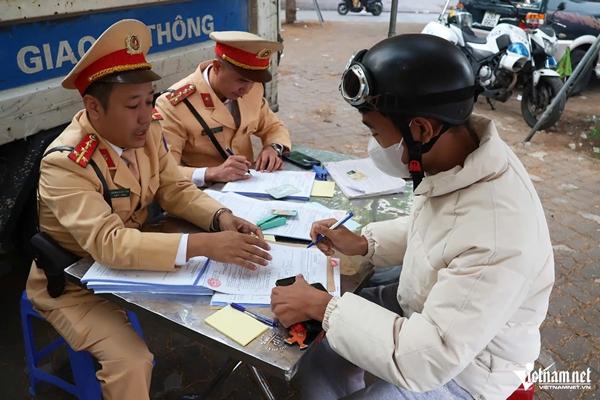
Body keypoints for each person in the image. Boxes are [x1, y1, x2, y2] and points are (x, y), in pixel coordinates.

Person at [271, 34, 554, 400]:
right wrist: (364, 243)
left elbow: (429, 357)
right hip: (424, 307)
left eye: (376, 131)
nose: (374, 144)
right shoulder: (464, 160)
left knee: (325, 321)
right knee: (317, 353)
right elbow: (442, 229)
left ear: (420, 129)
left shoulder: (498, 233)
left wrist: (321, 306)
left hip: (468, 371)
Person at [25, 19, 272, 400]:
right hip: (76, 283)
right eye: (132, 105)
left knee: (229, 305)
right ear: (93, 106)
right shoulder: (66, 163)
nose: (146, 115)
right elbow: (109, 244)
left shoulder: (147, 131)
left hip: (134, 264)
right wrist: (204, 245)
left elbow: (174, 188)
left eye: (149, 100)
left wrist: (221, 218)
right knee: (132, 362)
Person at [155, 31, 291, 186]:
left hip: (247, 186)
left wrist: (273, 148)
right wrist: (211, 173)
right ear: (217, 67)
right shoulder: (174, 105)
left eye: (252, 82)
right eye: (241, 80)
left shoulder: (253, 89)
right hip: (200, 192)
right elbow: (165, 170)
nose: (247, 89)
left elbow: (273, 127)